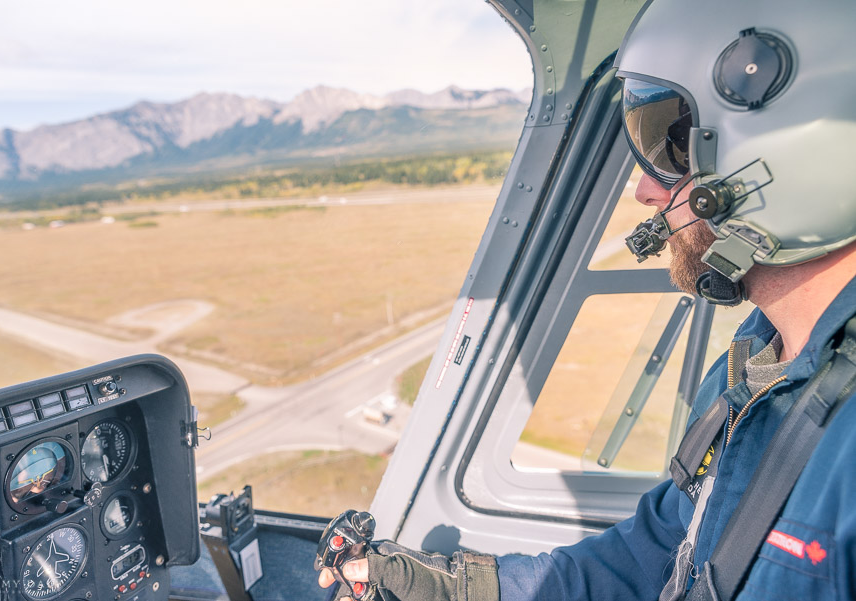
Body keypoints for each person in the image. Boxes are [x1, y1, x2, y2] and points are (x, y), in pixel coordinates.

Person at [319, 0, 856, 599]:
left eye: (671, 150)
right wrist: (452, 590)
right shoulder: (752, 366)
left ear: (790, 158)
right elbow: (648, 557)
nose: (644, 189)